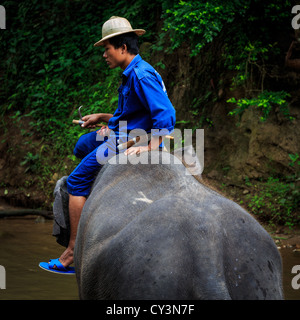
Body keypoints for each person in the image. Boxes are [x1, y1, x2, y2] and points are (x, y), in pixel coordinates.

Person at [39, 16, 176, 274]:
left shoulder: (141, 75)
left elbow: (166, 115)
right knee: (82, 145)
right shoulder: (130, 73)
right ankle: (100, 196)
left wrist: (149, 147)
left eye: (107, 48)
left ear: (123, 48)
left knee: (76, 181)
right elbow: (131, 115)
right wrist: (102, 118)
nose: (104, 54)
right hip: (122, 132)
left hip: (131, 140)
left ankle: (72, 253)